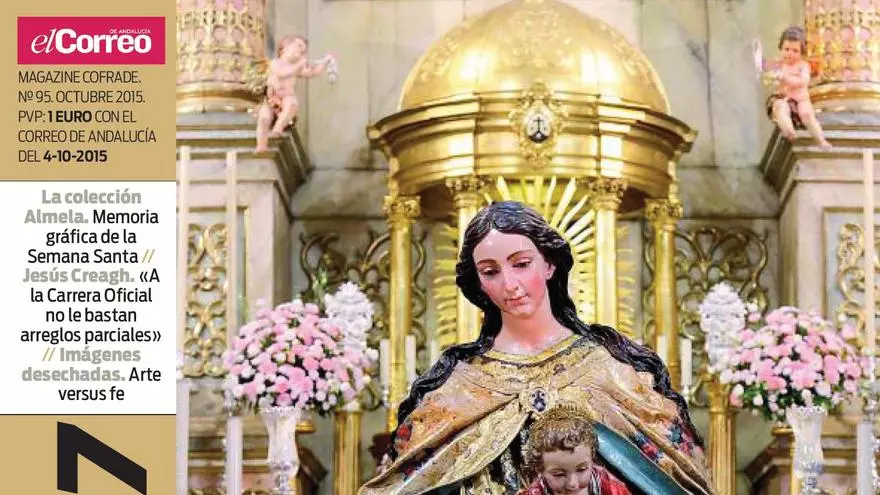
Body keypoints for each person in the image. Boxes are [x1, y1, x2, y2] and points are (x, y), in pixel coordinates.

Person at [359, 201, 713, 495]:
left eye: (521, 264)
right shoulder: (459, 386)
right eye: (490, 271)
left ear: (549, 263)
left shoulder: (611, 369)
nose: (510, 284)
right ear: (479, 282)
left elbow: (673, 479)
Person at [519, 405, 629, 495]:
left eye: (582, 469)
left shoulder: (611, 489)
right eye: (559, 474)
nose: (572, 484)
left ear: (592, 460)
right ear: (540, 470)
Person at [753, 25, 831, 148]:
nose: (790, 54)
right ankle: (789, 130)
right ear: (781, 49)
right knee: (781, 108)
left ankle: (820, 140)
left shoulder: (803, 66)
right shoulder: (779, 64)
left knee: (807, 115)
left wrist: (785, 78)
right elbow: (765, 67)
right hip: (785, 98)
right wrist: (758, 56)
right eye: (786, 49)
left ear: (802, 53)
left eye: (795, 51)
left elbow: (803, 81)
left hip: (801, 99)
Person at [255, 34, 335, 152]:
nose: (301, 52)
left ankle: (278, 128)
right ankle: (261, 145)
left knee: (292, 103)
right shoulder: (276, 63)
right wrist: (298, 65)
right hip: (271, 99)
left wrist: (325, 62)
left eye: (303, 51)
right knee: (264, 118)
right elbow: (281, 73)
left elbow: (313, 73)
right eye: (298, 46)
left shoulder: (297, 68)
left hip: (286, 99)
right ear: (284, 48)